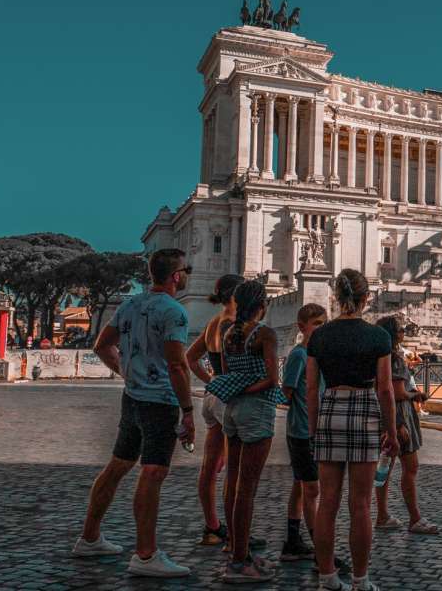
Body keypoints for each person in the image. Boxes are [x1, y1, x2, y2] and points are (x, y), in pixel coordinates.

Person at [70, 248, 194, 577]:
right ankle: (145, 555)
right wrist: (189, 411)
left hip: (133, 397)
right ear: (176, 276)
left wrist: (126, 371)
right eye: (187, 270)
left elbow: (101, 345)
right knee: (152, 473)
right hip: (160, 403)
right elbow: (177, 365)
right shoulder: (174, 312)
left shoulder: (130, 305)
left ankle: (90, 537)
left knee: (118, 465)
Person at [307, 269, 400, 591]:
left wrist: (312, 429)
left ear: (335, 297)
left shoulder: (319, 336)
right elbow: (386, 390)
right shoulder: (378, 337)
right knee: (360, 504)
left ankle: (327, 577)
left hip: (330, 407)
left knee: (327, 501)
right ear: (365, 298)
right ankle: (361, 580)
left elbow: (310, 389)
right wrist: (391, 430)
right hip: (364, 410)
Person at [208, 280, 284, 582]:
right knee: (248, 490)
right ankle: (239, 563)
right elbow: (271, 379)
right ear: (262, 305)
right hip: (255, 410)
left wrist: (239, 389)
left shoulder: (228, 334)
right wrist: (253, 389)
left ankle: (238, 550)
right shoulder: (265, 334)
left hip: (231, 410)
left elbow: (226, 374)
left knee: (234, 483)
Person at [185, 273, 244, 547]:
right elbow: (236, 366)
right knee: (234, 470)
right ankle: (235, 532)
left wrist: (212, 381)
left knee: (210, 465)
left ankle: (212, 526)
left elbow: (190, 358)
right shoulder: (234, 325)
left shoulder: (212, 322)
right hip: (228, 399)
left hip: (212, 396)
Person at [373, 316, 439, 535]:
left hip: (383, 418)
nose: (403, 333)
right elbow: (397, 393)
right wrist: (416, 394)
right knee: (410, 468)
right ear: (393, 334)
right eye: (400, 330)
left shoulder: (375, 358)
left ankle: (382, 515)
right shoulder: (395, 359)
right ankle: (415, 518)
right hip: (399, 418)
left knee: (384, 468)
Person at [280, 303, 328, 562]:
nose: (322, 328)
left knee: (300, 486)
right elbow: (286, 392)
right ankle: (321, 549)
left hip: (311, 430)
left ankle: (292, 540)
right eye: (317, 324)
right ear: (302, 327)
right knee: (311, 490)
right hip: (301, 431)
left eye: (324, 323)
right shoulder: (299, 355)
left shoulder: (316, 353)